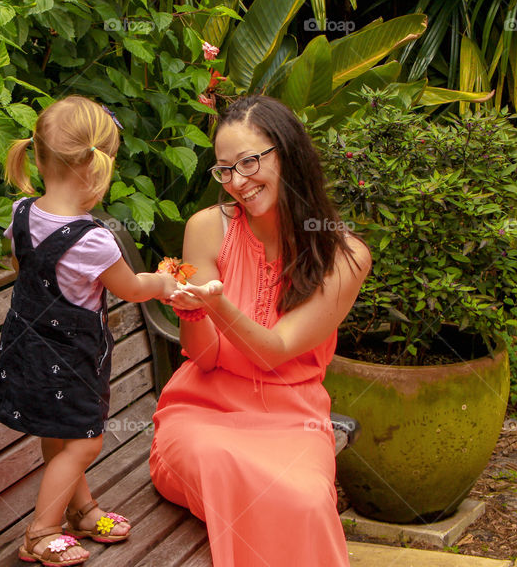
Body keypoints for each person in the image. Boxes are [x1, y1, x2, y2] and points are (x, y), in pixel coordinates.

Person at [149, 95, 372, 566]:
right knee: (223, 463)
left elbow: (275, 351)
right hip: (202, 418)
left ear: (287, 152)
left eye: (249, 162)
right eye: (224, 170)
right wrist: (192, 312)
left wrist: (217, 303)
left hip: (292, 420)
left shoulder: (345, 256)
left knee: (308, 500)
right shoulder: (207, 228)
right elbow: (204, 358)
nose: (238, 182)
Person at [0, 95, 178, 566]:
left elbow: (24, 267)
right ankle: (40, 532)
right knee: (86, 439)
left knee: (62, 433)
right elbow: (132, 289)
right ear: (97, 168)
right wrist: (164, 282)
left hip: (27, 349)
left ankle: (82, 511)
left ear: (40, 154)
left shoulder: (21, 213)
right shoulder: (93, 240)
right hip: (69, 359)